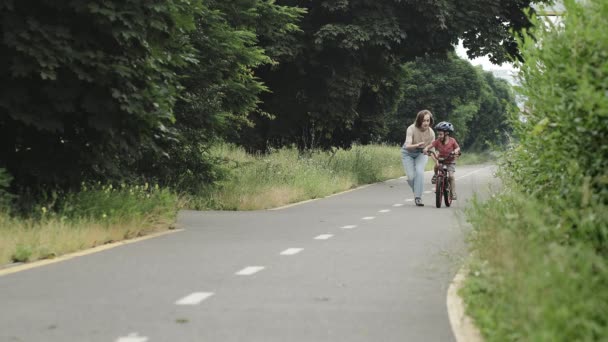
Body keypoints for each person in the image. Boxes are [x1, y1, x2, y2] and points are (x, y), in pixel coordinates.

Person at [401, 109, 435, 206]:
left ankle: (418, 197)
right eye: (423, 120)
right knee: (411, 177)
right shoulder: (411, 128)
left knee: (419, 172)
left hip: (421, 153)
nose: (426, 123)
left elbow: (432, 149)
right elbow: (407, 146)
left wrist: (437, 162)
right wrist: (417, 145)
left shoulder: (431, 133)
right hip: (408, 153)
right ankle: (417, 190)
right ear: (419, 120)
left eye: (428, 120)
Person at [424, 121, 461, 200]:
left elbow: (458, 148)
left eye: (441, 134)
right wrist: (426, 149)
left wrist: (455, 151)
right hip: (441, 159)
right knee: (437, 165)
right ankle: (435, 175)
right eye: (438, 134)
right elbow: (431, 145)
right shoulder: (438, 141)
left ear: (446, 134)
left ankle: (453, 193)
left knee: (451, 176)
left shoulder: (452, 141)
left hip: (450, 161)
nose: (439, 136)